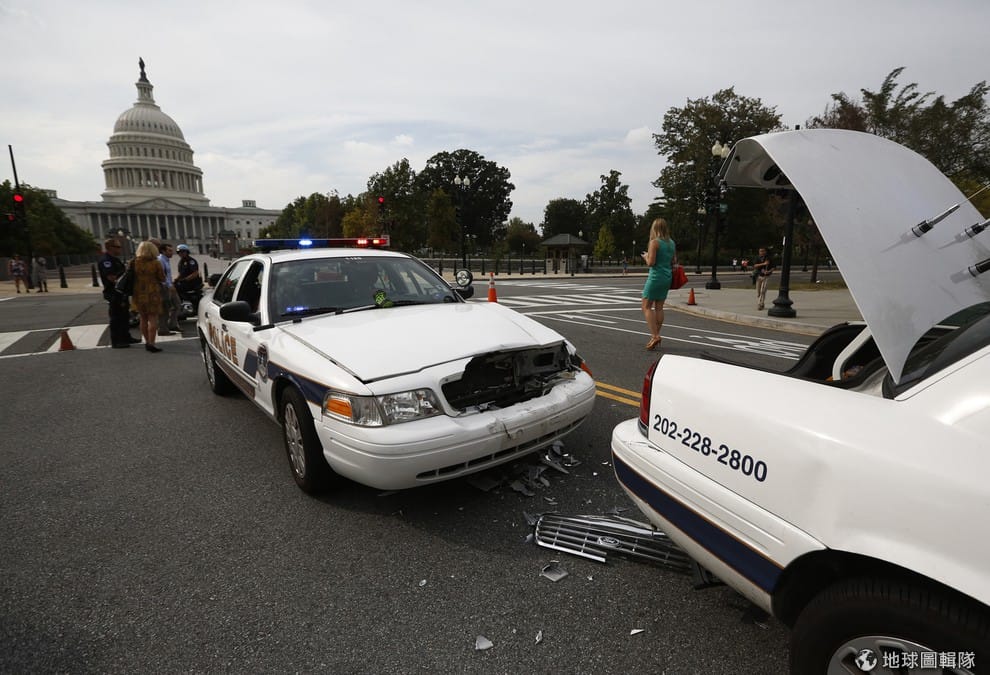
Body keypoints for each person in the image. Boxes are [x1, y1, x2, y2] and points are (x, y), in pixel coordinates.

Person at [640, 218, 676, 351]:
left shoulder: (654, 242)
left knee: (646, 306)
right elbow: (673, 261)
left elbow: (651, 263)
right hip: (667, 277)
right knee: (659, 307)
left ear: (654, 229)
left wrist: (646, 256)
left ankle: (655, 336)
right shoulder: (671, 243)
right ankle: (655, 335)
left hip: (655, 277)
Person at [97, 239, 139, 348]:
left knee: (124, 316)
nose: (120, 249)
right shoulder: (106, 260)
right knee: (116, 317)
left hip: (122, 292)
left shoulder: (115, 260)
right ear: (110, 247)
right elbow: (111, 277)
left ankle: (126, 337)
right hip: (113, 292)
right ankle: (117, 341)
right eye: (118, 247)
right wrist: (126, 274)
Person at [133, 240, 166, 352]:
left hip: (138, 292)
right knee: (153, 318)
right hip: (152, 292)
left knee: (143, 318)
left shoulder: (134, 262)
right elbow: (162, 278)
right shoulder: (155, 263)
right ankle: (152, 343)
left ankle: (147, 341)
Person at [155, 242, 180, 335]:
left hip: (169, 286)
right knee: (164, 309)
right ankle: (163, 329)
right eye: (169, 251)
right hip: (164, 288)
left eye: (171, 250)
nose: (172, 252)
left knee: (177, 305)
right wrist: (169, 285)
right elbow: (161, 276)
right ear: (163, 251)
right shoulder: (160, 260)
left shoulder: (166, 260)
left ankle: (172, 324)